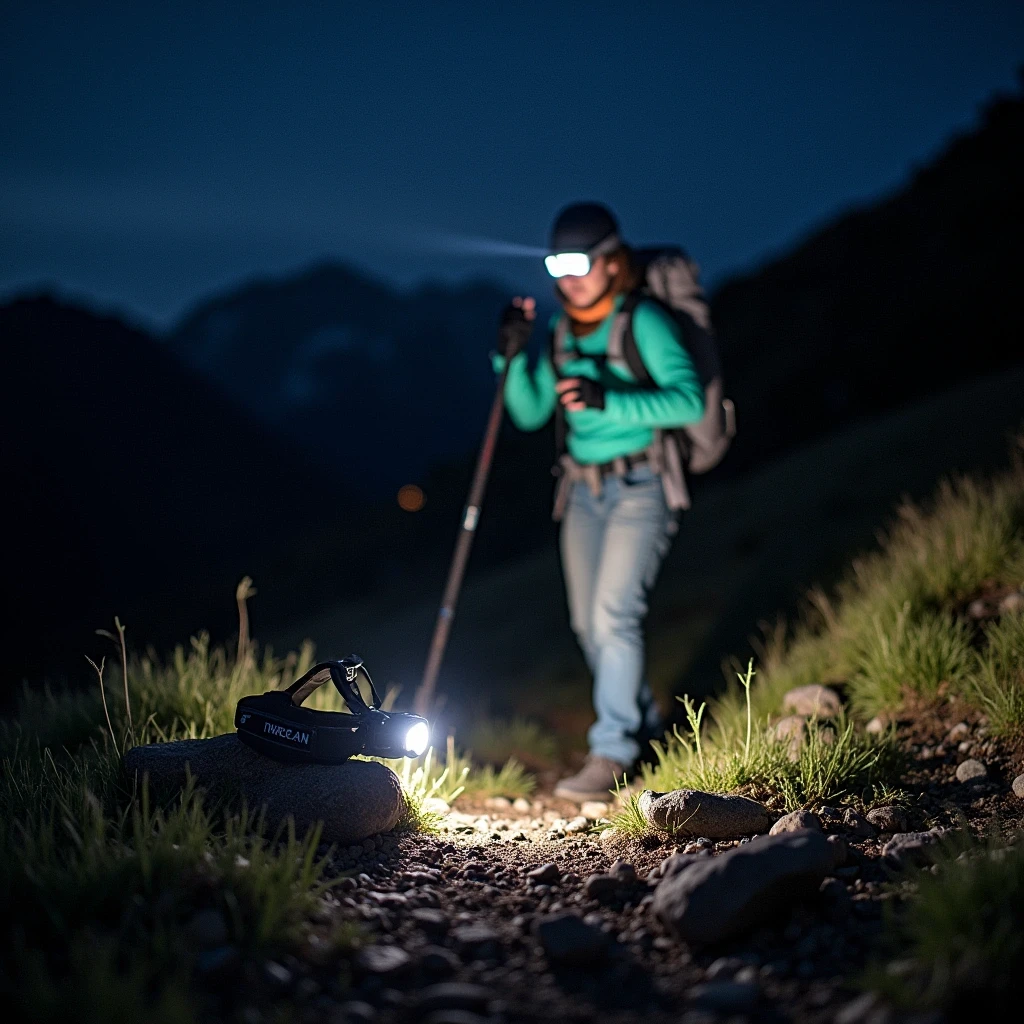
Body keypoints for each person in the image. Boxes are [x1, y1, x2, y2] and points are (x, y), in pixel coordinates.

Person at [492, 202, 706, 803]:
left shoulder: (643, 321)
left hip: (642, 485)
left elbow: (688, 401)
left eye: (581, 263)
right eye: (557, 264)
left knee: (615, 615)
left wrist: (606, 399)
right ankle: (643, 728)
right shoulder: (563, 330)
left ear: (613, 263)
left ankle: (613, 750)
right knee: (589, 625)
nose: (569, 276)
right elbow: (531, 412)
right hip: (583, 492)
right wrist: (508, 357)